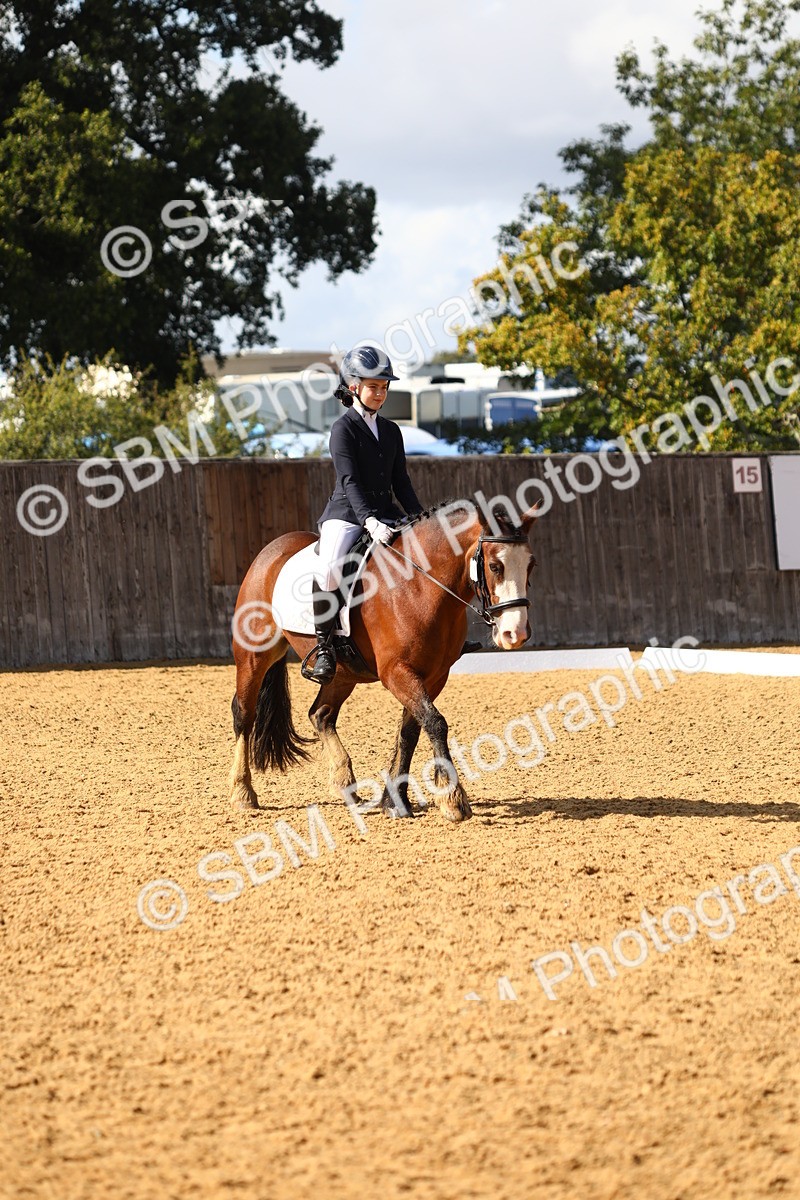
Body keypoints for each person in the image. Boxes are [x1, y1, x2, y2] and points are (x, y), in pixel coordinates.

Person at [307, 344, 424, 684]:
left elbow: (401, 481)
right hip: (346, 513)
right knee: (329, 569)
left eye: (385, 387)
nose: (380, 393)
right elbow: (349, 480)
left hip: (386, 512)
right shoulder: (343, 430)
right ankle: (324, 647)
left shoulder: (391, 431)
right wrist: (368, 520)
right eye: (374, 386)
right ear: (354, 386)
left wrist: (419, 517)